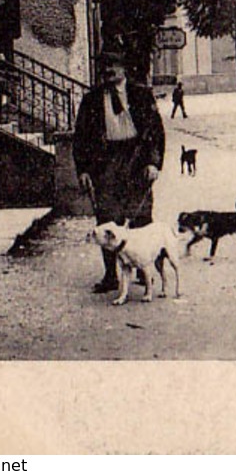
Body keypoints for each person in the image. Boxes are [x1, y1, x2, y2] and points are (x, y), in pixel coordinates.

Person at [72, 43, 165, 294]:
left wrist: (153, 163)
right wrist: (83, 170)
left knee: (141, 217)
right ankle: (111, 276)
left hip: (137, 160)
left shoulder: (142, 95)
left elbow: (156, 133)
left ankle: (145, 271)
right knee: (107, 220)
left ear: (124, 68)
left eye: (113, 65)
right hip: (106, 163)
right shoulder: (92, 100)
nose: (108, 70)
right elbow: (80, 137)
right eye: (104, 66)